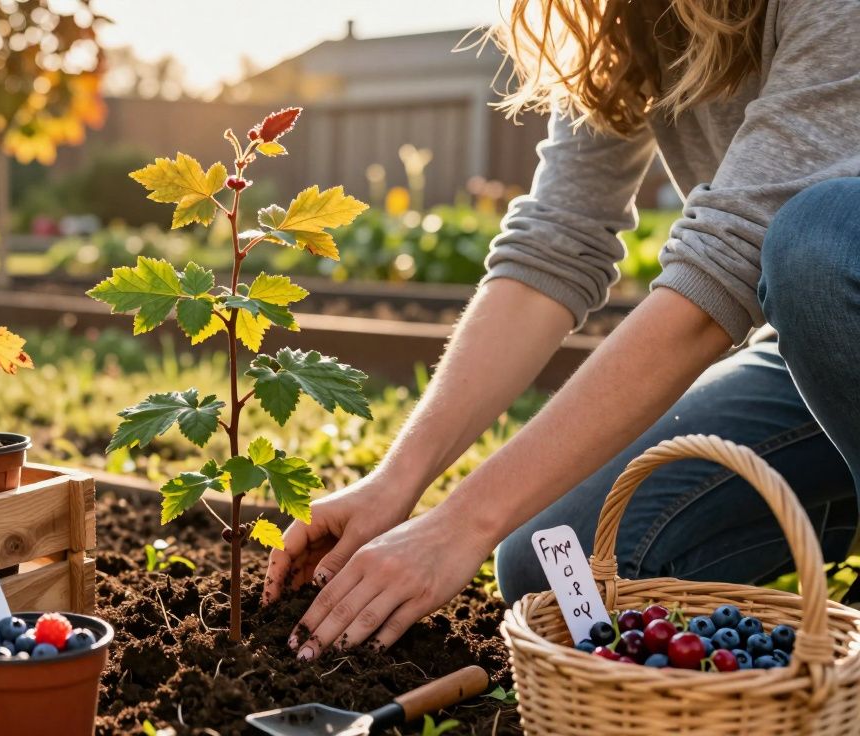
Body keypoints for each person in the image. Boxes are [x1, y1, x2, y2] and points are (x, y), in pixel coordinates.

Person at [264, 0, 860, 661]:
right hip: (819, 356)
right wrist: (397, 483)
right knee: (556, 567)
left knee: (818, 240)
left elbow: (717, 280)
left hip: (839, 280)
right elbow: (554, 246)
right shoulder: (627, 19)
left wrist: (460, 524)